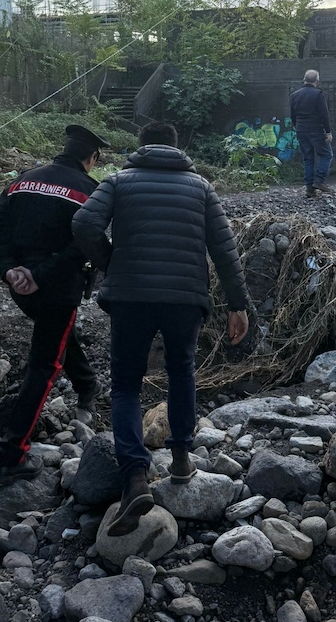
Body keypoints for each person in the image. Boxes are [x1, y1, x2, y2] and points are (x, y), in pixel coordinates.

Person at [72, 119, 249, 536]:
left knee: (127, 385)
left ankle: (135, 477)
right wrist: (238, 304)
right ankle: (183, 457)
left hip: (131, 296)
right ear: (176, 147)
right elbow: (225, 248)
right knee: (181, 370)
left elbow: (83, 225)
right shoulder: (201, 187)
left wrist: (109, 261)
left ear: (141, 146)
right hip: (184, 298)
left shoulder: (118, 181)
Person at [0, 124, 111, 484]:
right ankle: (12, 454)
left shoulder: (22, 179)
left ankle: (87, 386)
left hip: (20, 286)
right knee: (45, 364)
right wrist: (41, 274)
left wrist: (10, 271)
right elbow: (83, 246)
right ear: (91, 158)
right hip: (57, 287)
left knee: (55, 335)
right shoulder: (90, 190)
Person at [290, 69, 333, 197]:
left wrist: (297, 127)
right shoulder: (318, 94)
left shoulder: (294, 95)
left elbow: (292, 115)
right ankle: (319, 181)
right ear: (317, 81)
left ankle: (309, 188)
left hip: (301, 129)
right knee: (326, 154)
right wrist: (328, 132)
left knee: (308, 158)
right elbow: (324, 115)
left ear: (304, 80)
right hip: (315, 130)